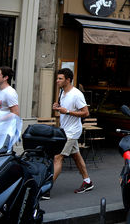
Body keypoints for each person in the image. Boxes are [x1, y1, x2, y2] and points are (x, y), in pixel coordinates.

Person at [50, 68, 93, 199]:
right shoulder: (62, 92)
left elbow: (86, 113)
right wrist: (57, 107)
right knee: (76, 156)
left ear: (68, 80)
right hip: (65, 129)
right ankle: (87, 182)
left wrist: (67, 111)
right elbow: (64, 109)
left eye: (60, 78)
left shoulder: (76, 94)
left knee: (58, 157)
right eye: (57, 78)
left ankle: (45, 188)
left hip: (72, 131)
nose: (57, 81)